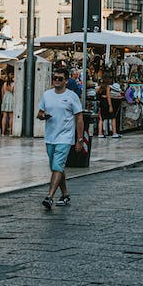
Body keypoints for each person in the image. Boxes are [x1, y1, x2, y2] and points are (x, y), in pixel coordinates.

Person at [37, 69, 84, 209]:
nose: (56, 80)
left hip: (65, 137)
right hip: (50, 137)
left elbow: (79, 117)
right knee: (56, 167)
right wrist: (42, 116)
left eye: (60, 78)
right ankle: (65, 195)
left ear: (66, 81)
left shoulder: (72, 96)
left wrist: (80, 139)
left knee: (57, 166)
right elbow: (39, 112)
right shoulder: (47, 95)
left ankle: (49, 197)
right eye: (55, 78)